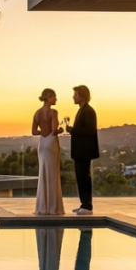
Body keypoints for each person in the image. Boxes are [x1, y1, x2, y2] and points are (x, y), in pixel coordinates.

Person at [66, 85, 99, 215]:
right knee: (80, 177)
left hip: (84, 151)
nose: (73, 97)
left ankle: (87, 206)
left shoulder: (88, 111)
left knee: (84, 177)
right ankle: (83, 204)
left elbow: (90, 130)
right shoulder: (82, 110)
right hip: (80, 151)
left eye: (75, 94)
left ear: (82, 96)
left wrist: (72, 130)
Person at [31, 89, 65, 215]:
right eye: (54, 97)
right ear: (49, 97)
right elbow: (54, 130)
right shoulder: (53, 112)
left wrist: (42, 132)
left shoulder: (37, 113)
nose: (56, 99)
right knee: (53, 174)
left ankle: (42, 207)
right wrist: (61, 129)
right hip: (51, 142)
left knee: (43, 173)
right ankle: (53, 207)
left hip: (43, 144)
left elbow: (34, 132)